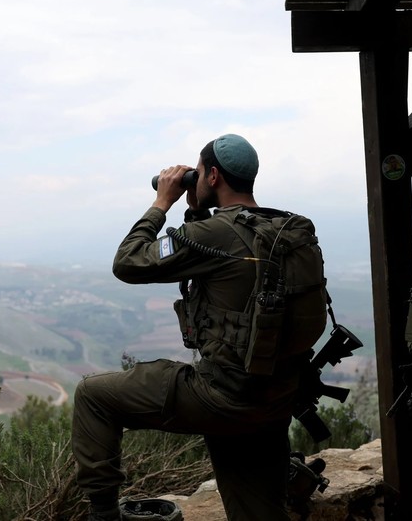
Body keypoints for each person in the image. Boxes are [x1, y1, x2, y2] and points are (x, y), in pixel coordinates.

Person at [71, 134, 326, 521]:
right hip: (274, 398)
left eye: (199, 170)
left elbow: (128, 261)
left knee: (93, 396)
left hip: (222, 397)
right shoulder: (287, 228)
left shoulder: (214, 234)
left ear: (211, 177)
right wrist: (197, 214)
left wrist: (163, 202)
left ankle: (104, 516)